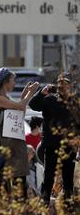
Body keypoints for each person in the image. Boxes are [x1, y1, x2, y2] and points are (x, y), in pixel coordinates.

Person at [0, 67, 39, 197]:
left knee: (20, 191)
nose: (14, 83)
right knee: (4, 190)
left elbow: (19, 113)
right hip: (3, 150)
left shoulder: (7, 98)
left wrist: (23, 95)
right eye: (12, 80)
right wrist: (30, 94)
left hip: (15, 148)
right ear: (5, 82)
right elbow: (20, 106)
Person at [29, 74, 77, 205]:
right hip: (51, 144)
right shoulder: (49, 99)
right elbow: (33, 105)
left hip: (69, 145)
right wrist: (41, 93)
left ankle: (68, 202)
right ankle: (44, 200)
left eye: (66, 84)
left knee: (68, 176)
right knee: (48, 174)